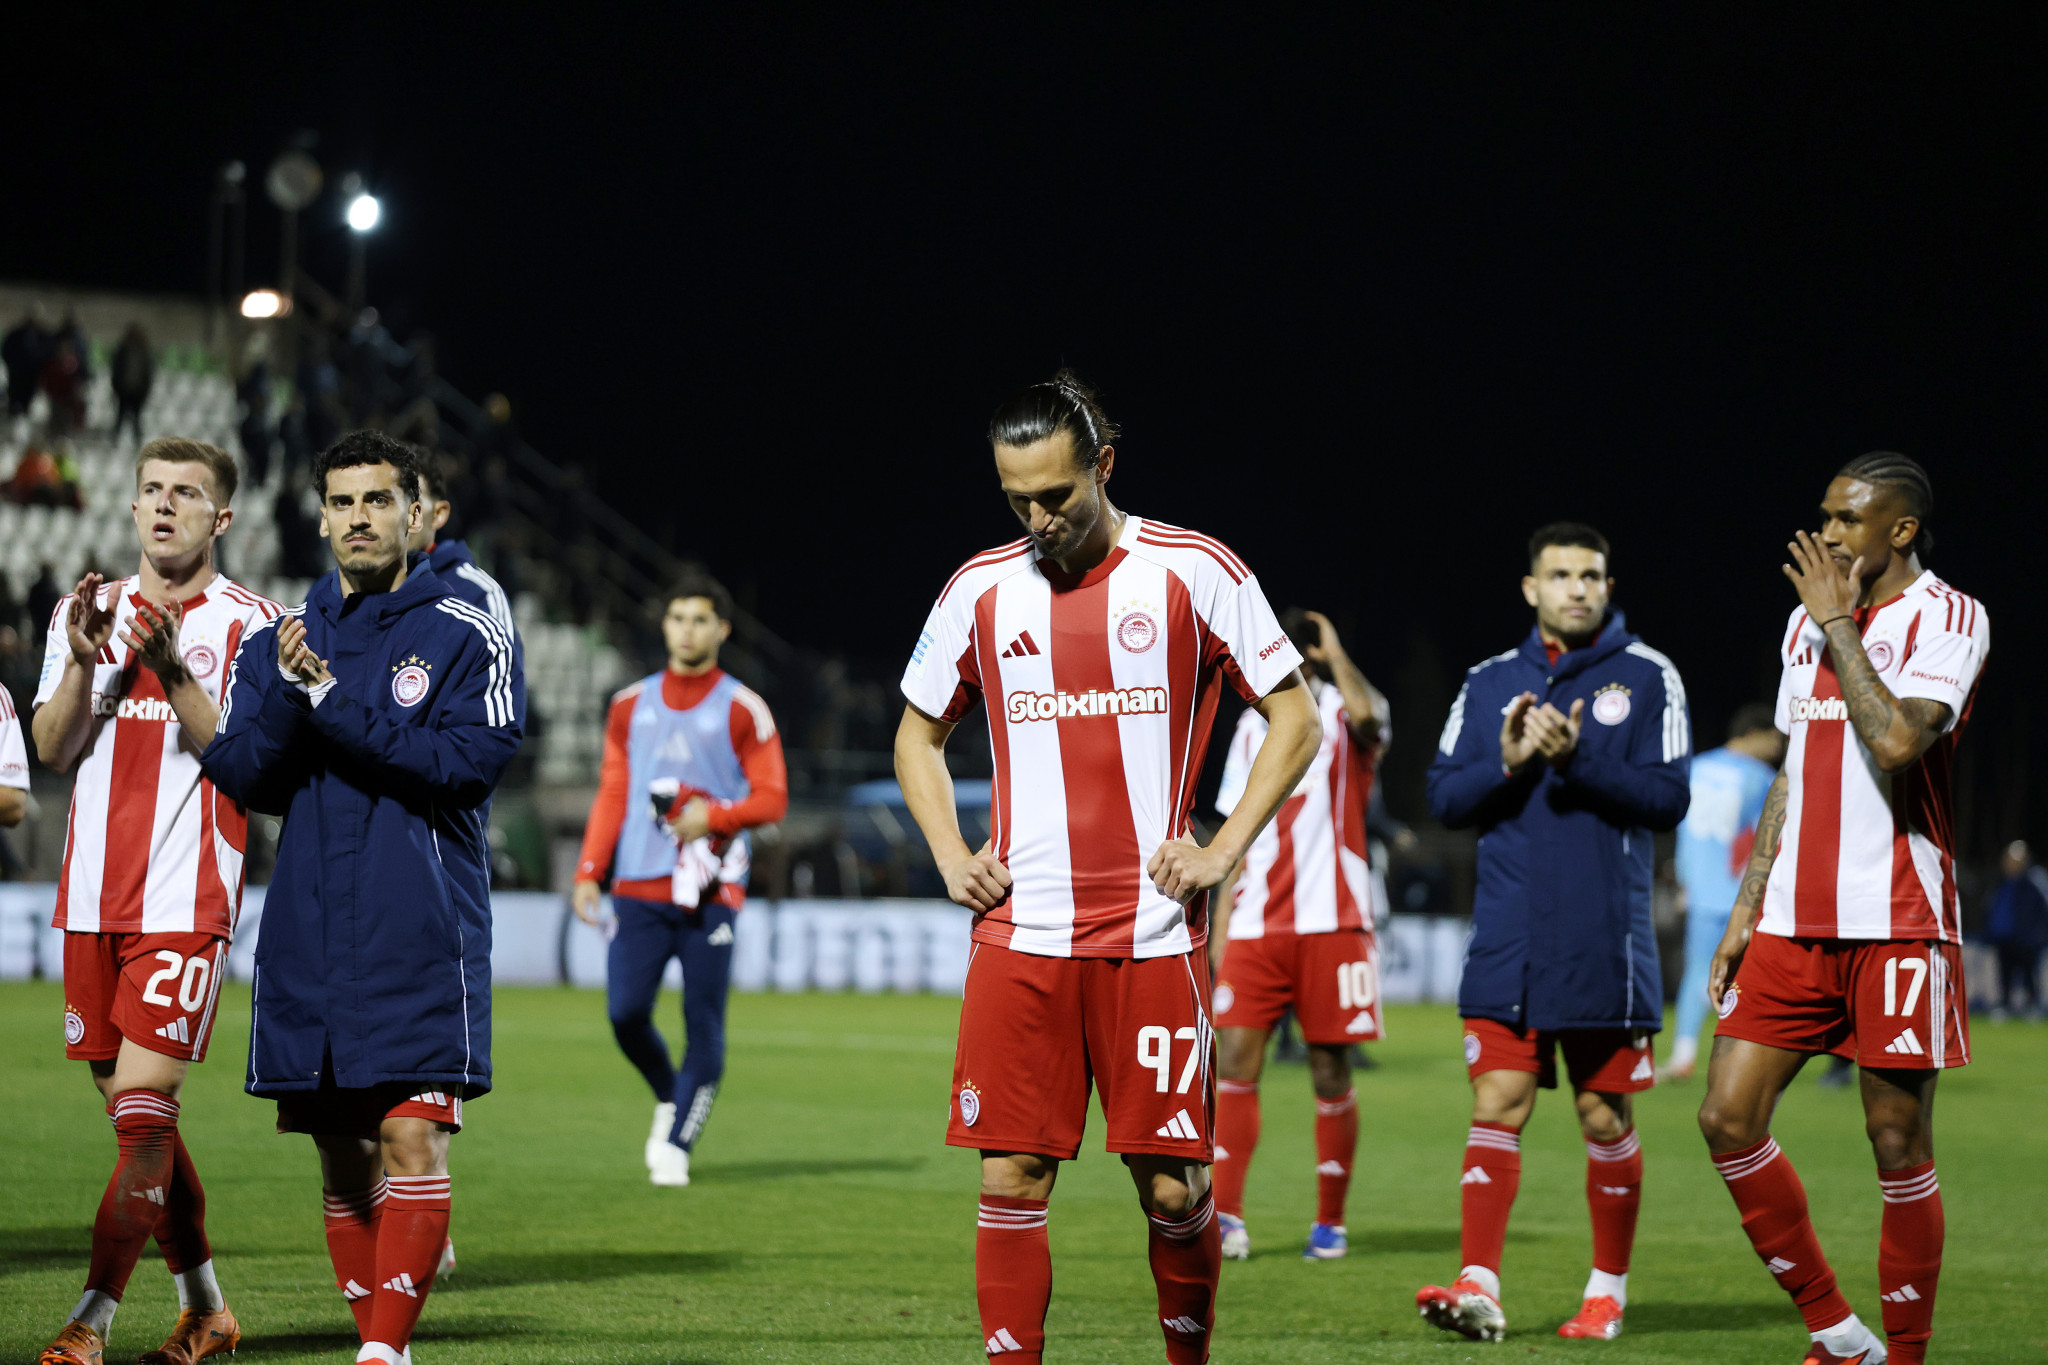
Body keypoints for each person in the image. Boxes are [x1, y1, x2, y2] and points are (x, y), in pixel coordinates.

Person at [894, 370, 1320, 1365]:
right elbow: (915, 738)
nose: (1037, 518)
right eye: (1016, 501)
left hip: (1152, 935)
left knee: (1173, 1190)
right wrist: (950, 855)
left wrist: (1220, 848)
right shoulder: (977, 591)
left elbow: (1292, 717)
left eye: (1056, 496)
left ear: (1104, 466)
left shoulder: (1193, 570)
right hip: (1020, 936)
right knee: (1009, 1180)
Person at [201, 430, 525, 1365]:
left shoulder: (463, 625)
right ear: (319, 515)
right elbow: (249, 775)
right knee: (343, 1156)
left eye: (378, 500)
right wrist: (287, 691)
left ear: (416, 514)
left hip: (419, 924)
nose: (358, 519)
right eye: (341, 503)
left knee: (411, 1137)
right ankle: (379, 1337)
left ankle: (382, 1353)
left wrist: (329, 695)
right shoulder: (281, 637)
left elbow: (466, 766)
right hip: (308, 927)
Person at [1697, 452, 1987, 1365]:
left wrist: (1838, 626)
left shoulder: (1952, 617)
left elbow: (1900, 740)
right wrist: (1748, 906)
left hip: (1899, 916)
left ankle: (1905, 1355)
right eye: (1824, 515)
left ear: (1900, 529)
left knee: (1895, 1138)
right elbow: (1792, 768)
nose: (1827, 534)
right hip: (1792, 919)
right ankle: (1838, 1330)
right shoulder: (1802, 625)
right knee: (1726, 1118)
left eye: (1848, 519)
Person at [29, 438, 280, 1365]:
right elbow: (55, 749)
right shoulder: (81, 610)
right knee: (136, 1119)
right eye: (151, 491)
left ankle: (88, 1321)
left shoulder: (255, 625)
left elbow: (253, 764)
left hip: (186, 898)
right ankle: (207, 1307)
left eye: (187, 493)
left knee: (142, 1110)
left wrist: (174, 670)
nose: (165, 505)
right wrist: (81, 665)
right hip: (92, 897)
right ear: (132, 508)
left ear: (223, 518)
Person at [1420, 522, 1691, 1343]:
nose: (1578, 586)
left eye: (1592, 574)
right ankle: (1480, 1285)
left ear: (1608, 586)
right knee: (1497, 1099)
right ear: (1531, 587)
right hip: (1508, 941)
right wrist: (1508, 761)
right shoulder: (1487, 681)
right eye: (1561, 574)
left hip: (1606, 948)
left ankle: (1606, 1290)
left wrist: (1576, 759)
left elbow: (1668, 798)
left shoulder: (1648, 678)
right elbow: (1443, 798)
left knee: (1604, 1116)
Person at [571, 570, 788, 1186]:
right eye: (677, 618)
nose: (687, 629)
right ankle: (672, 1096)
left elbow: (772, 799)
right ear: (663, 625)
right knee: (625, 1013)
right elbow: (614, 790)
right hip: (636, 884)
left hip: (712, 891)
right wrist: (591, 868)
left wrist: (714, 817)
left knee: (704, 1023)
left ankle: (678, 1143)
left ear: (721, 629)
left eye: (700, 619)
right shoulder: (629, 705)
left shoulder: (744, 708)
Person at [1209, 607, 1390, 1263]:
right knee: (1234, 1062)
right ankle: (1226, 1215)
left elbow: (1376, 720)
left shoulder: (1345, 712)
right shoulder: (1252, 728)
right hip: (1258, 921)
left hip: (1333, 919)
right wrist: (1220, 933)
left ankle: (1330, 1221)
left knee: (1328, 1064)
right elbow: (1231, 833)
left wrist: (1338, 654)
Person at [1661, 704, 1785, 1082]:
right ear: (1754, 734)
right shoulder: (1762, 777)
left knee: (1699, 970)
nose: (1778, 747)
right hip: (1744, 895)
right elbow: (1771, 834)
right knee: (1759, 976)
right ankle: (1756, 1057)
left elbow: (1682, 827)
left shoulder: (1695, 768)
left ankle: (1683, 1054)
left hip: (1700, 888)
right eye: (1774, 738)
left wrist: (1684, 878)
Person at [1984, 840, 2048, 1018]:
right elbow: (1993, 909)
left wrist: (2037, 934)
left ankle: (2033, 1006)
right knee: (2005, 975)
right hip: (2004, 937)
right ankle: (2004, 1006)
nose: (2011, 863)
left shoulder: (2035, 880)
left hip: (2028, 939)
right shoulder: (2000, 881)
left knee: (2029, 975)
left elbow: (2043, 910)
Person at [113, 324, 156, 445]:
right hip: (124, 390)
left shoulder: (144, 353)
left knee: (136, 420)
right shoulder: (122, 351)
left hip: (137, 392)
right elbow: (116, 371)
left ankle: (137, 443)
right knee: (120, 419)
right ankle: (115, 441)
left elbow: (148, 374)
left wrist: (144, 391)